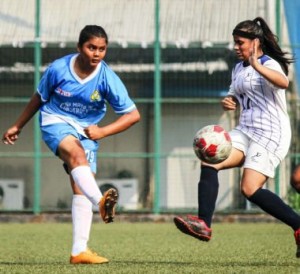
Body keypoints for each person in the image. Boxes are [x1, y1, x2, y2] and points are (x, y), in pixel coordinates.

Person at [2, 25, 140, 264]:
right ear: (79, 47)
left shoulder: (107, 77)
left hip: (88, 131)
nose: (96, 53)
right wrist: (18, 125)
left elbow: (132, 115)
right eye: (91, 47)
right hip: (56, 121)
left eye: (102, 49)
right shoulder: (58, 69)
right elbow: (39, 97)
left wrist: (102, 131)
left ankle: (79, 251)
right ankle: (101, 202)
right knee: (76, 154)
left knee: (80, 188)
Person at [173, 17, 300, 258]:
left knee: (249, 188)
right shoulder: (238, 68)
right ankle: (204, 224)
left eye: (240, 42)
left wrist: (258, 65)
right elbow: (235, 96)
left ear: (255, 42)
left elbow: (282, 82)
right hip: (246, 130)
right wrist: (229, 101)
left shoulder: (268, 63)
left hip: (271, 132)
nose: (235, 47)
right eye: (234, 42)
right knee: (209, 158)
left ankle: (298, 225)